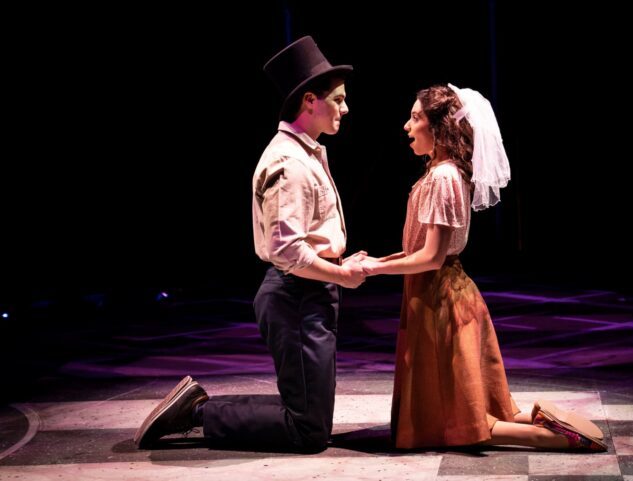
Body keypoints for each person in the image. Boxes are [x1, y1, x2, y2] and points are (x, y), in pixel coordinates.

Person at [134, 36, 366, 453]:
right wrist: (341, 275)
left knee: (311, 418)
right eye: (339, 100)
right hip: (297, 294)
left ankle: (198, 406)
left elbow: (306, 237)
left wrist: (339, 260)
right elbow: (288, 251)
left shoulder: (307, 153)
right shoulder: (290, 163)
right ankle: (198, 413)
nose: (345, 109)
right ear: (310, 101)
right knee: (307, 432)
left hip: (310, 289)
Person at [360, 84, 606, 451]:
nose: (407, 127)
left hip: (439, 300)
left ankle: (544, 436)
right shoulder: (439, 174)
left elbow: (430, 258)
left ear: (439, 127)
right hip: (437, 292)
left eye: (415, 118)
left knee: (451, 421)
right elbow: (420, 251)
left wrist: (373, 271)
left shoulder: (443, 178)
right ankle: (539, 417)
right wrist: (376, 262)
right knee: (462, 405)